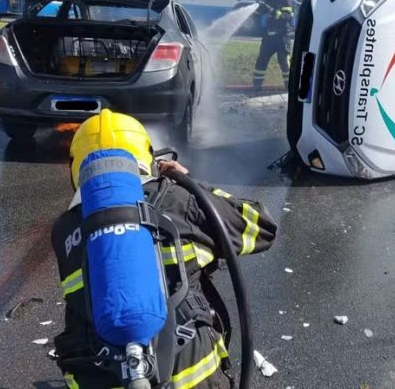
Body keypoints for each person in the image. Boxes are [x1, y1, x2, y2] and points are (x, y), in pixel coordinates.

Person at [51, 109, 278, 388]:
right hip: (193, 378)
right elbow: (262, 228)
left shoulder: (64, 230)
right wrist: (193, 184)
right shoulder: (180, 200)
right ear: (147, 157)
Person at [252, 0, 295, 91]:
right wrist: (259, 5)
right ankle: (256, 86)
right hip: (269, 36)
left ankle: (289, 87)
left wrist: (270, 10)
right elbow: (257, 14)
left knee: (284, 62)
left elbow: (286, 16)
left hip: (282, 36)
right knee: (261, 60)